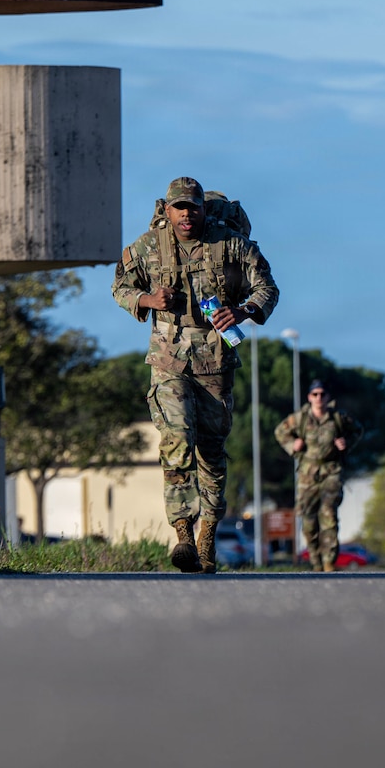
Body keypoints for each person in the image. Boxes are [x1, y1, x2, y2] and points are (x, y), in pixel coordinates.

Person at [112, 177, 279, 573]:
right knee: (177, 438)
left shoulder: (232, 244)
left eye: (194, 207)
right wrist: (147, 299)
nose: (187, 214)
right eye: (179, 208)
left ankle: (207, 538)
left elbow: (267, 287)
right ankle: (183, 532)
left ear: (204, 208)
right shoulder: (149, 246)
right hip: (168, 362)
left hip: (215, 363)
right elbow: (120, 285)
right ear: (167, 210)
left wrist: (243, 311)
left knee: (211, 454)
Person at [274, 379, 363, 572]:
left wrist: (345, 444)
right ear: (309, 397)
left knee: (329, 514)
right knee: (308, 520)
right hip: (307, 474)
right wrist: (293, 445)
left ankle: (330, 561)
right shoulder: (300, 418)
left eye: (322, 394)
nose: (319, 398)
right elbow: (280, 432)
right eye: (315, 394)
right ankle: (315, 561)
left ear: (328, 397)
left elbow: (357, 430)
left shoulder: (338, 417)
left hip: (331, 471)